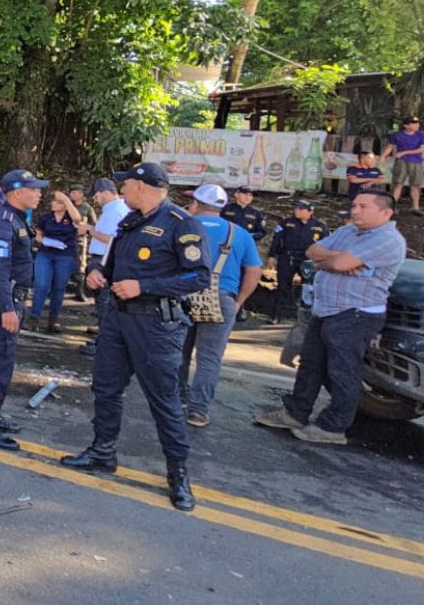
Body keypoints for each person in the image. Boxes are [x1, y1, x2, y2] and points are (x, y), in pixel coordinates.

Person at [61, 163, 209, 511]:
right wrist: (96, 273)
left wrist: (145, 286)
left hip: (155, 326)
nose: (121, 189)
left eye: (125, 183)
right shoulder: (129, 223)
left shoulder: (181, 224)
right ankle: (102, 451)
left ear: (142, 186)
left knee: (164, 400)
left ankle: (178, 474)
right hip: (117, 321)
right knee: (105, 388)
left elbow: (198, 277)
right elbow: (108, 265)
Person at [256, 190, 406, 445]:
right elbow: (312, 250)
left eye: (363, 206)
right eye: (354, 204)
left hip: (355, 314)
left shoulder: (388, 239)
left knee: (342, 371)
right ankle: (296, 413)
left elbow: (336, 264)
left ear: (386, 213)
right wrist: (337, 261)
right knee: (310, 365)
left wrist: (333, 261)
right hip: (325, 309)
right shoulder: (348, 232)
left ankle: (333, 427)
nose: (355, 210)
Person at [0, 169, 48, 451]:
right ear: (17, 192)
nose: (40, 193)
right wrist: (7, 308)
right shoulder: (4, 223)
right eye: (35, 188)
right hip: (3, 301)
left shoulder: (15, 219)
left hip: (10, 299)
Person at [179, 184, 263, 427]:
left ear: (195, 204)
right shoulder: (239, 234)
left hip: (183, 295)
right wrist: (238, 302)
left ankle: (176, 400)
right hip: (221, 295)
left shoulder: (183, 227)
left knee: (178, 352)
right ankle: (198, 410)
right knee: (209, 358)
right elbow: (254, 271)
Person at [79, 178, 130, 355]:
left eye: (97, 195)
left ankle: (103, 345)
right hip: (102, 258)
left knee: (105, 304)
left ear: (106, 192)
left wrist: (89, 230)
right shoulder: (114, 209)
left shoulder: (115, 211)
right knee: (104, 303)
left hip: (104, 260)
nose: (95, 199)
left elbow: (111, 239)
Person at [27, 191, 81, 333]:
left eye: (57, 202)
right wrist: (44, 240)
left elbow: (78, 219)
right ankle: (34, 317)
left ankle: (53, 319)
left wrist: (65, 199)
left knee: (59, 287)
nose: (53, 204)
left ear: (65, 205)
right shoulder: (46, 218)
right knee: (41, 285)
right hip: (46, 253)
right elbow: (37, 233)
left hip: (65, 255)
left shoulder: (70, 217)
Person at [268, 200, 326, 325]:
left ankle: (309, 317)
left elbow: (327, 243)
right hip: (288, 257)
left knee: (309, 287)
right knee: (282, 286)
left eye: (301, 209)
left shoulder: (320, 226)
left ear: (310, 211)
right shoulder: (286, 223)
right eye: (296, 208)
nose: (297, 211)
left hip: (309, 260)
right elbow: (276, 240)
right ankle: (276, 315)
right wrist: (272, 255)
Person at [383, 117, 424, 214]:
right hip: (401, 162)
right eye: (413, 123)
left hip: (416, 162)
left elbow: (422, 149)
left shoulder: (421, 135)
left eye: (417, 123)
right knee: (397, 184)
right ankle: (393, 206)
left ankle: (415, 207)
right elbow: (390, 147)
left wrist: (404, 152)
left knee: (415, 185)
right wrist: (383, 156)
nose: (417, 125)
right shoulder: (396, 135)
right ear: (406, 126)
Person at [69, 187, 99, 302]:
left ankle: (79, 291)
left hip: (80, 239)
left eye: (74, 192)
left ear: (81, 194)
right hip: (66, 238)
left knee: (81, 264)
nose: (72, 194)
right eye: (71, 192)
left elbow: (94, 224)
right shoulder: (68, 206)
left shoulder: (87, 208)